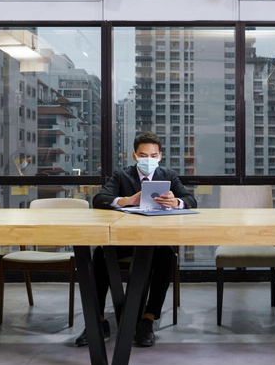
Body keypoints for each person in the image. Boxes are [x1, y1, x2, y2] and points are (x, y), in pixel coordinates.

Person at [75, 132, 197, 348]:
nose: (148, 159)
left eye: (153, 155)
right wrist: (126, 200)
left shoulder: (168, 174)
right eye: (143, 155)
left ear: (160, 156)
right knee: (101, 254)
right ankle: (98, 321)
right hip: (125, 240)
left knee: (167, 255)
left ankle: (147, 320)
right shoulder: (122, 175)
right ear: (134, 156)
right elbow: (99, 199)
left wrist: (176, 201)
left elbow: (190, 200)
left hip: (155, 241)